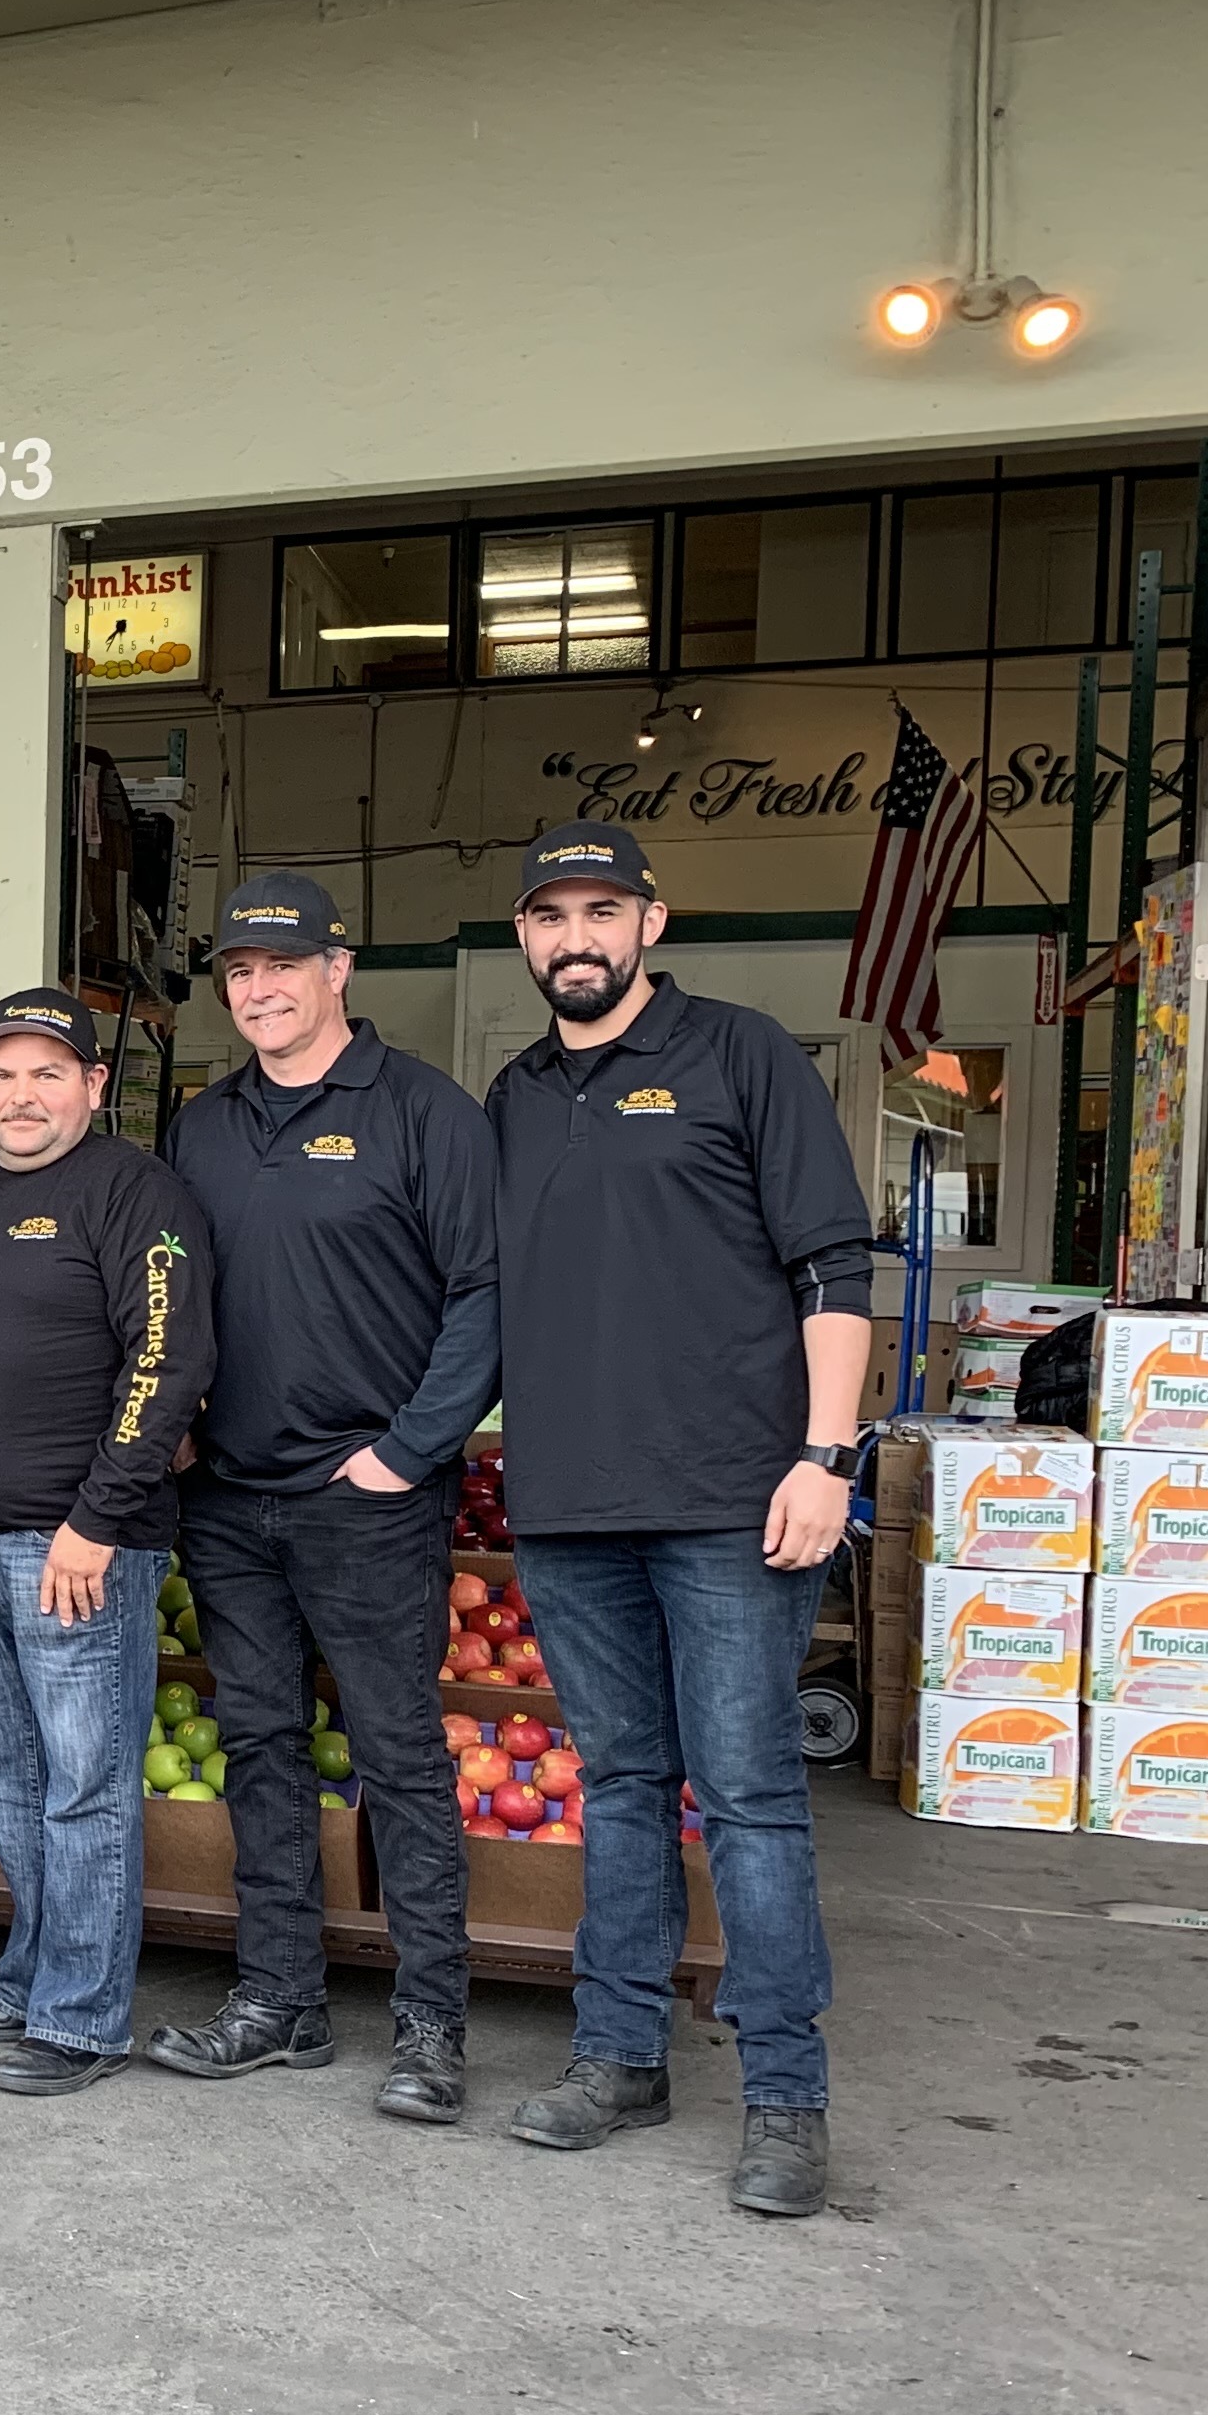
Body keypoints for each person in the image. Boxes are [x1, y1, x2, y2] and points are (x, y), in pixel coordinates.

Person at [485, 821, 870, 2218]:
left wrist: (827, 1456)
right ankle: (619, 2056)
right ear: (526, 938)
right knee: (626, 1787)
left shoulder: (741, 1055)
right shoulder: (517, 1095)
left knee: (755, 1800)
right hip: (570, 1506)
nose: (573, 937)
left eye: (600, 910)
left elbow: (834, 1264)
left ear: (653, 921)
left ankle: (785, 2097)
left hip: (730, 1503)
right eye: (548, 916)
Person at [151, 874, 497, 2122]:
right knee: (259, 1749)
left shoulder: (426, 1115)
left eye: (283, 967)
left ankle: (429, 2027)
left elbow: (482, 1297)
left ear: (338, 969)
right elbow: (173, 1295)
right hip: (231, 1500)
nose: (260, 989)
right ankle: (280, 2001)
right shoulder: (202, 1124)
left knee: (402, 1757)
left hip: (370, 1498)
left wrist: (406, 1452)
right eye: (239, 972)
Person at [0, 987, 218, 2094]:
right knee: (0, 1768)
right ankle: (36, 1975)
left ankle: (83, 2020)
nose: (20, 1095)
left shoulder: (139, 1194)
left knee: (85, 1784)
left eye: (47, 1073)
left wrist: (98, 1518)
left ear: (91, 1086)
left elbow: (166, 1364)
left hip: (78, 1547)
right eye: (2, 1074)